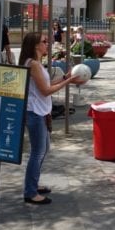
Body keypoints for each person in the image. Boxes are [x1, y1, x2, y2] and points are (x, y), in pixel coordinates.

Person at [19, 32, 80, 205]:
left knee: (43, 149)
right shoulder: (33, 65)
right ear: (35, 45)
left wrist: (66, 77)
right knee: (38, 152)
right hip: (35, 113)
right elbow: (46, 91)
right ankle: (30, 192)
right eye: (45, 41)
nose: (48, 43)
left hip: (40, 112)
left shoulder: (36, 63)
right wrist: (68, 83)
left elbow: (47, 85)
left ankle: (33, 184)